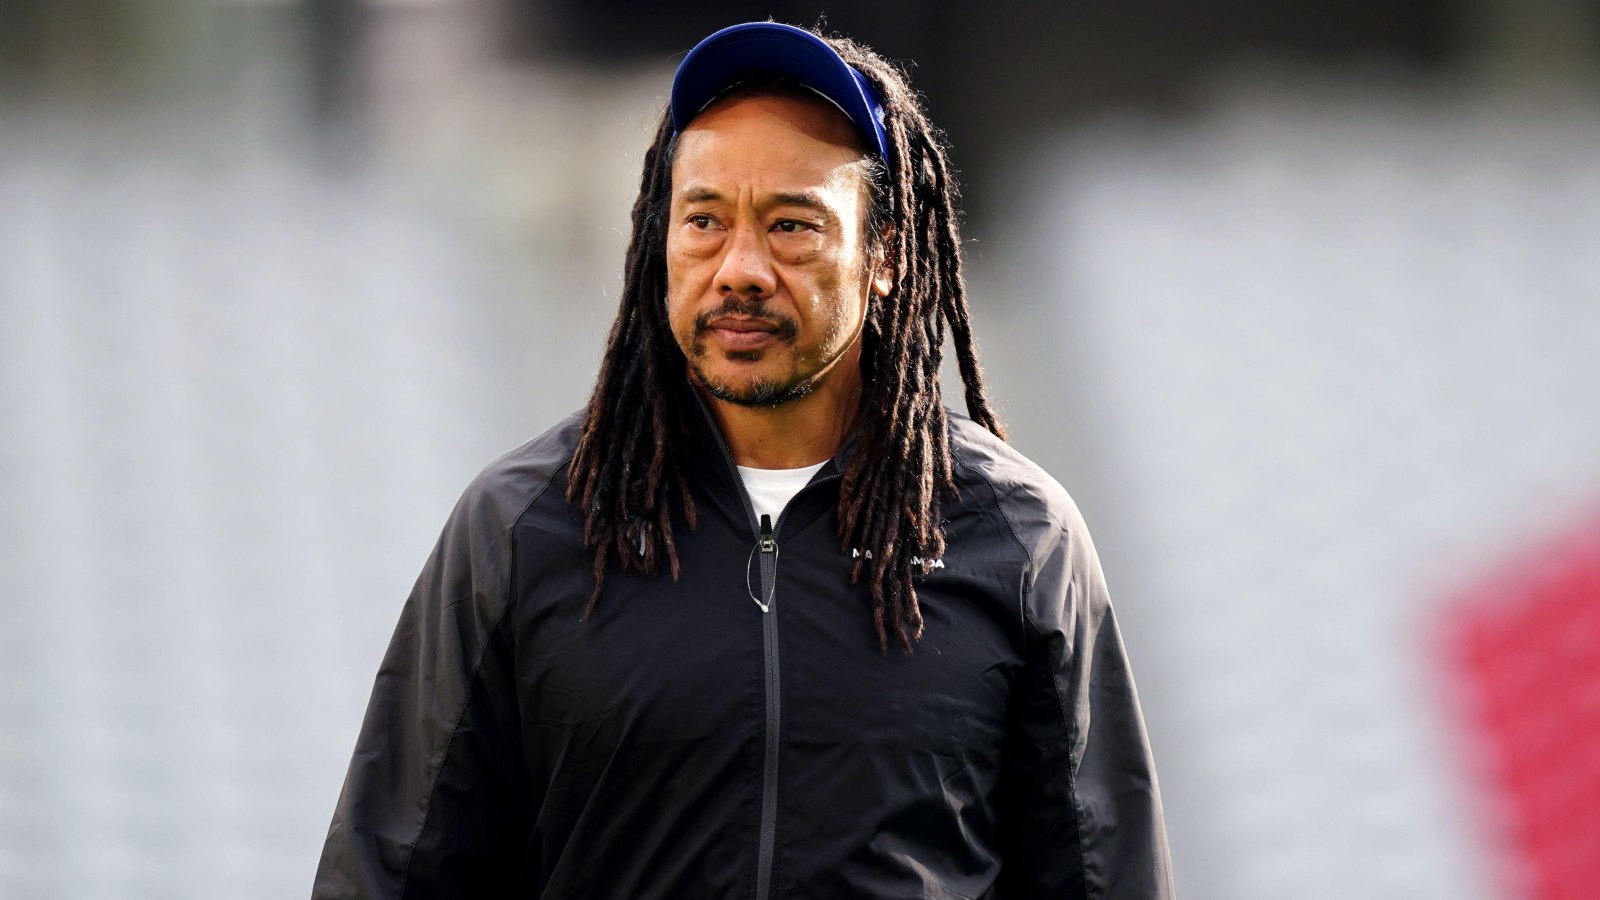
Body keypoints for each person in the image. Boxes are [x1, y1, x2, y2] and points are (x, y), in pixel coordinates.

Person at [312, 20, 1174, 900]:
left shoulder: (1020, 541)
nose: (741, 268)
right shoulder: (523, 529)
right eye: (704, 221)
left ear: (882, 257)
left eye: (792, 225)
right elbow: (390, 876)